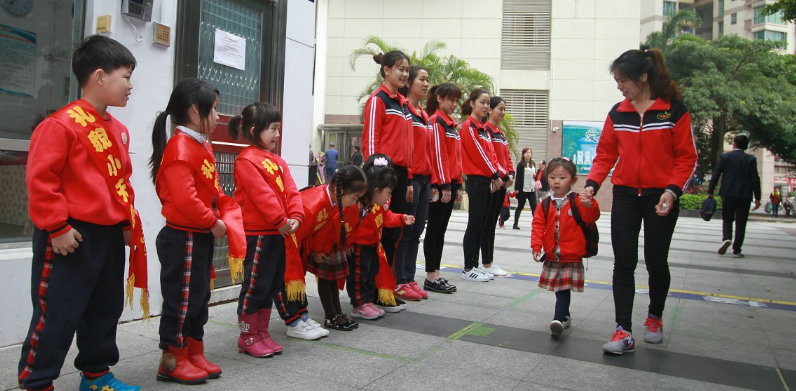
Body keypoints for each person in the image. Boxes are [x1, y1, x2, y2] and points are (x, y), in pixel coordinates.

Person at [19, 35, 147, 391]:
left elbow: (121, 182)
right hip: (69, 236)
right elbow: (41, 181)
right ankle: (37, 381)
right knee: (57, 312)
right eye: (126, 76)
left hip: (106, 236)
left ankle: (95, 375)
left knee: (104, 310)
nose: (130, 85)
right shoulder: (60, 125)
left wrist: (124, 223)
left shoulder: (118, 131)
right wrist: (56, 226)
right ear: (100, 77)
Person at [582, 48, 697, 355]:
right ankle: (623, 330)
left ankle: (655, 317)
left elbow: (687, 157)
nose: (620, 86)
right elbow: (606, 153)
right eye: (617, 80)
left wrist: (672, 191)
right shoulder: (618, 113)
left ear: (643, 76)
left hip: (661, 197)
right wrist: (593, 183)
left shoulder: (674, 111)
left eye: (623, 80)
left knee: (656, 261)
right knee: (624, 262)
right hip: (626, 196)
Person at [149, 78, 247, 384]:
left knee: (199, 296)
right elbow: (185, 198)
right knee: (181, 299)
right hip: (183, 235)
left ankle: (194, 351)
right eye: (214, 109)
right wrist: (213, 221)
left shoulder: (198, 143)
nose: (218, 116)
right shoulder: (180, 147)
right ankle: (173, 358)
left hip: (197, 233)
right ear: (194, 110)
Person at [228, 102, 304, 357]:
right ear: (254, 129)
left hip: (277, 233)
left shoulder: (278, 161)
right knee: (254, 286)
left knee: (271, 285)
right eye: (272, 128)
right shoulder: (246, 160)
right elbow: (263, 197)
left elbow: (292, 192)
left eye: (278, 128)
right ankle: (248, 336)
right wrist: (282, 221)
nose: (277, 134)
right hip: (258, 234)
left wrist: (296, 217)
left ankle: (262, 333)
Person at [361, 51, 413, 287]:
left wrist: (409, 179)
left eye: (407, 70)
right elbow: (371, 142)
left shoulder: (402, 104)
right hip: (384, 176)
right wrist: (377, 180)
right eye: (401, 69)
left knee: (395, 233)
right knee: (378, 234)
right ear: (387, 70)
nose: (405, 74)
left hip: (400, 176)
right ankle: (373, 290)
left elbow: (407, 146)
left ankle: (387, 287)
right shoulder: (378, 100)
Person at [294, 166, 368, 331]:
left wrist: (319, 250)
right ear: (339, 190)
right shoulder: (314, 204)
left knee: (302, 282)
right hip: (292, 245)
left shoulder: (332, 201)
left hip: (305, 245)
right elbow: (296, 234)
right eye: (355, 198)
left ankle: (302, 316)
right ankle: (296, 320)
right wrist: (310, 252)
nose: (355, 203)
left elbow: (324, 229)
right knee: (292, 282)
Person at [532, 158, 600, 339]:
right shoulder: (545, 204)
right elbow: (538, 225)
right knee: (560, 287)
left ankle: (558, 318)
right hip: (553, 255)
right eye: (552, 177)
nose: (556, 181)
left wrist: (590, 204)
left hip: (572, 255)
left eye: (562, 177)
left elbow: (592, 217)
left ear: (573, 180)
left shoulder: (578, 201)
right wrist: (536, 246)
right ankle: (565, 315)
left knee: (562, 288)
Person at [346, 154, 415, 319]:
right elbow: (346, 226)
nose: (390, 197)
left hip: (372, 246)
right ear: (376, 190)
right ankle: (359, 305)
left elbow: (386, 218)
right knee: (358, 277)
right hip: (358, 247)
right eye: (389, 192)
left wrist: (401, 219)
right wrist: (347, 244)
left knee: (370, 275)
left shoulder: (379, 205)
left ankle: (368, 301)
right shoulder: (358, 205)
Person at [460, 89, 509, 282]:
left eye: (488, 102)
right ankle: (468, 267)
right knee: (474, 224)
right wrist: (496, 175)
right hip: (477, 180)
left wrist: (500, 174)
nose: (486, 106)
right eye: (482, 102)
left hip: (487, 180)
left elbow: (493, 156)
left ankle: (476, 264)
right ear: (472, 103)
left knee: (481, 224)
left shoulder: (482, 128)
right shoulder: (469, 126)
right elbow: (479, 155)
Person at [394, 65, 432, 300]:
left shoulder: (424, 114)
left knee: (417, 230)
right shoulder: (404, 109)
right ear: (409, 83)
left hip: (425, 179)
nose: (426, 84)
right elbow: (405, 147)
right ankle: (399, 280)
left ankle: (409, 278)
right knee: (405, 231)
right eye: (422, 79)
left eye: (428, 80)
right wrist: (408, 178)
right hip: (411, 178)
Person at [424, 83, 462, 294]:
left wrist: (458, 184)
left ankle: (436, 273)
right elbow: (439, 156)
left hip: (450, 182)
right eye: (451, 100)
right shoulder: (436, 121)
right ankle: (430, 276)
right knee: (434, 230)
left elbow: (456, 158)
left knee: (441, 231)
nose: (454, 104)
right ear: (439, 99)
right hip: (440, 184)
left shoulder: (451, 125)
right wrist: (444, 185)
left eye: (456, 101)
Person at [707, 134, 761, 258]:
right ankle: (737, 249)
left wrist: (710, 191)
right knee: (741, 222)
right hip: (744, 195)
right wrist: (757, 198)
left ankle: (726, 238)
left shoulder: (725, 157)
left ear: (734, 144)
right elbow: (755, 179)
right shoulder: (750, 160)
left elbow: (716, 174)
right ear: (746, 146)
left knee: (727, 218)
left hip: (728, 193)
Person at [481, 96, 513, 276]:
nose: (502, 112)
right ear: (490, 110)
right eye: (499, 108)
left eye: (504, 109)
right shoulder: (486, 130)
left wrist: (511, 174)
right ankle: (485, 263)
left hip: (502, 182)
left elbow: (507, 156)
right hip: (493, 181)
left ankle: (489, 262)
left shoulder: (500, 133)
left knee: (492, 223)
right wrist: (502, 175)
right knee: (486, 224)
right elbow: (490, 158)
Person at [513, 148, 538, 230]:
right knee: (520, 206)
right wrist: (516, 188)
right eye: (526, 153)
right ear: (523, 154)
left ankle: (536, 224)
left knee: (534, 206)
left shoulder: (533, 164)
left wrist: (535, 176)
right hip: (523, 189)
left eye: (529, 152)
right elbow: (518, 177)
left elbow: (536, 177)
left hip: (531, 189)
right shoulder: (521, 165)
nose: (528, 154)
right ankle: (515, 223)